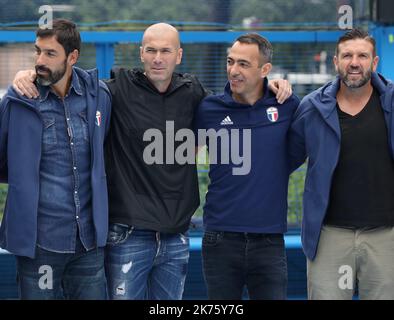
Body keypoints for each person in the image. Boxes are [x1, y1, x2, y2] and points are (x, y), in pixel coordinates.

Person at [12, 23, 292, 300]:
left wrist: (270, 86)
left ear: (179, 56)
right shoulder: (115, 90)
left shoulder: (193, 93)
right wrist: (30, 74)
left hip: (176, 236)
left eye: (166, 51)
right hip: (127, 235)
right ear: (141, 53)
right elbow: (68, 79)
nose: (158, 58)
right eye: (152, 50)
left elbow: (235, 102)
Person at [0, 19, 111, 299]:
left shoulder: (99, 96)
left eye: (50, 54)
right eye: (37, 52)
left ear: (72, 57)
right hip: (40, 246)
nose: (40, 60)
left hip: (88, 244)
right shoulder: (20, 100)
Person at [289, 28, 394, 300]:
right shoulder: (312, 107)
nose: (355, 62)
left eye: (362, 55)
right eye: (347, 55)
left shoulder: (392, 102)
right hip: (330, 237)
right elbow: (284, 161)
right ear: (336, 62)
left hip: (386, 237)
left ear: (375, 62)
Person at [194, 33, 300, 300]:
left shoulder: (287, 106)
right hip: (219, 239)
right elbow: (180, 159)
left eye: (243, 64)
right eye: (230, 62)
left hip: (269, 241)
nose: (233, 70)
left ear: (265, 70)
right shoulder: (209, 108)